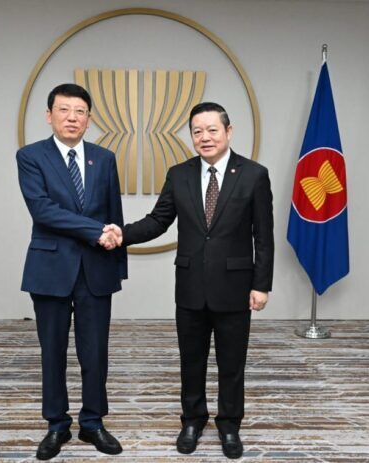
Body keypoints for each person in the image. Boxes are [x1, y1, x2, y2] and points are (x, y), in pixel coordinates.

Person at [105, 102, 274, 459]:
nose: (204, 137)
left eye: (212, 129)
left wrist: (261, 285)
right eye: (197, 131)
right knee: (191, 361)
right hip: (190, 286)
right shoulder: (179, 174)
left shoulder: (254, 175)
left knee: (232, 364)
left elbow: (264, 236)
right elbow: (158, 220)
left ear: (229, 131)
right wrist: (123, 234)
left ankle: (229, 425)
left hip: (235, 286)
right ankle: (192, 422)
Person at [16, 83, 127, 461]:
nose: (72, 118)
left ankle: (93, 422)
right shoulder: (31, 156)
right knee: (53, 351)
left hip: (96, 269)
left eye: (80, 111)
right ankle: (56, 425)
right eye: (64, 110)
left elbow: (114, 213)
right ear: (49, 115)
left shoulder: (104, 158)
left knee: (95, 353)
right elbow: (43, 210)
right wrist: (96, 231)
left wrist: (118, 263)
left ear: (89, 119)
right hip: (51, 268)